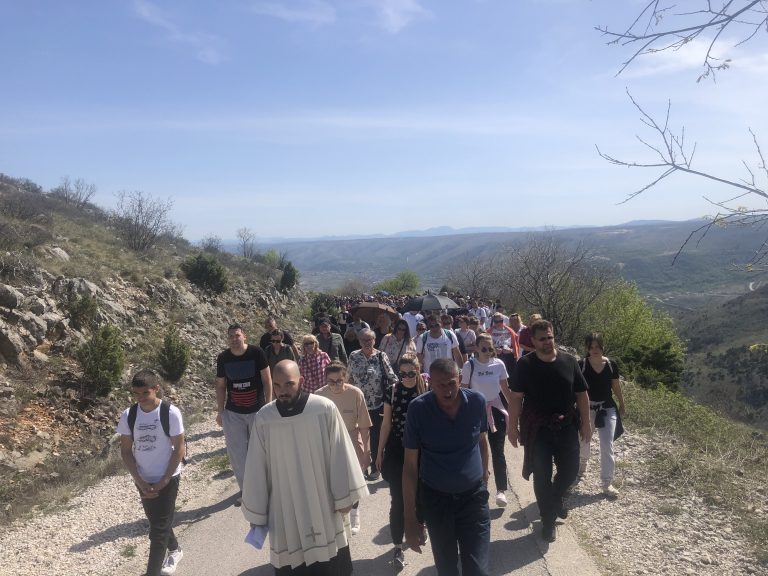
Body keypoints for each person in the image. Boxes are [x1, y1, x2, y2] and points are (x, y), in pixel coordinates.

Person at [241, 360, 368, 576]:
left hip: (323, 502)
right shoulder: (265, 418)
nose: (282, 391)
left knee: (331, 565)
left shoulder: (323, 409)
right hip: (284, 506)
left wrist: (344, 497)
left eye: (289, 384)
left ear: (301, 381)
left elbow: (340, 453)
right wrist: (257, 513)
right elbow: (256, 467)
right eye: (277, 385)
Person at [403, 359, 491, 576]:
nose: (447, 390)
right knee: (447, 568)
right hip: (437, 501)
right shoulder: (418, 409)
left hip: (473, 499)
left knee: (478, 570)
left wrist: (484, 477)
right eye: (440, 385)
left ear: (460, 379)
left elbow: (482, 441)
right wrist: (410, 519)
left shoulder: (476, 402)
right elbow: (410, 466)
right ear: (430, 383)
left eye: (451, 383)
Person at [508, 319, 591, 543]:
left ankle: (555, 498)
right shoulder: (525, 365)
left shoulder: (569, 361)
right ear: (533, 341)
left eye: (550, 337)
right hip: (538, 429)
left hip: (567, 425)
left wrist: (586, 423)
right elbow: (516, 398)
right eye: (542, 339)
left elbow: (582, 394)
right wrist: (512, 427)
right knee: (542, 476)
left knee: (570, 472)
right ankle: (548, 520)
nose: (547, 342)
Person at [118, 369, 185, 576]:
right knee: (156, 521)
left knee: (158, 530)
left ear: (156, 389)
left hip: (168, 477)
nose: (141, 398)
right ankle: (175, 550)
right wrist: (139, 480)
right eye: (136, 394)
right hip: (143, 478)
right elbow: (126, 451)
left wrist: (164, 480)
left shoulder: (170, 413)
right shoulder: (129, 415)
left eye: (145, 393)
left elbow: (179, 448)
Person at [376, 354, 428, 570]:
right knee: (398, 500)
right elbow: (386, 423)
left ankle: (420, 523)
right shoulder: (392, 391)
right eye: (402, 374)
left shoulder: (427, 389)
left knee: (421, 494)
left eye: (411, 373)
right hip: (397, 450)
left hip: (423, 450)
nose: (406, 377)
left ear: (418, 370)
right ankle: (397, 546)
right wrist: (379, 452)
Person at [315, 361, 373, 535]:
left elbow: (364, 425)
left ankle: (355, 514)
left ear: (345, 378)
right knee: (331, 482)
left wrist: (366, 452)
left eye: (339, 381)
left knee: (353, 481)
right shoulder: (318, 396)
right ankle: (337, 518)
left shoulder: (355, 394)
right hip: (329, 443)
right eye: (331, 382)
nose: (335, 385)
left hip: (352, 439)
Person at [215, 323, 272, 499]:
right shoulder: (223, 358)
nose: (234, 339)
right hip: (233, 413)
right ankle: (247, 492)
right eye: (231, 336)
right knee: (238, 455)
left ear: (244, 336)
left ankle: (266, 488)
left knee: (261, 451)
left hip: (257, 411)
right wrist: (220, 411)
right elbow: (221, 385)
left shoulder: (256, 353)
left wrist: (268, 406)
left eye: (237, 335)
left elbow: (267, 380)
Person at [461, 333, 515, 508]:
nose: (487, 351)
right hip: (476, 411)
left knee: (498, 450)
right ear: (476, 348)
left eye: (490, 348)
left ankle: (501, 490)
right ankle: (481, 485)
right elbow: (463, 391)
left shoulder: (499, 364)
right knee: (477, 451)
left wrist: (515, 412)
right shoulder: (469, 366)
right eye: (484, 348)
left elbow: (505, 389)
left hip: (496, 409)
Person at [577, 333, 626, 496]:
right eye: (591, 347)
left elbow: (616, 386)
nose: (594, 350)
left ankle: (607, 483)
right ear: (587, 348)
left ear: (602, 347)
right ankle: (583, 463)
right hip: (587, 408)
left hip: (607, 408)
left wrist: (622, 403)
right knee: (584, 439)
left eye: (597, 346)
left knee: (607, 444)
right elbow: (576, 389)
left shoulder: (611, 365)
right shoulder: (582, 365)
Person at [346, 328, 397, 481]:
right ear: (359, 341)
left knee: (375, 437)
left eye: (369, 339)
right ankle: (361, 467)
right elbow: (348, 377)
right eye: (363, 340)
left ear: (374, 340)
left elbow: (391, 377)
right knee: (358, 438)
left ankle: (375, 467)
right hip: (358, 404)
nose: (367, 342)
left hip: (377, 404)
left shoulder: (381, 356)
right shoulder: (354, 356)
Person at [489, 312, 520, 377]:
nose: (499, 323)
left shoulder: (510, 331)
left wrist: (510, 350)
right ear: (494, 322)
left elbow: (516, 347)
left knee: (511, 377)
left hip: (509, 357)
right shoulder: (489, 332)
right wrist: (494, 350)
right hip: (495, 357)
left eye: (501, 321)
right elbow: (485, 346)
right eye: (496, 321)